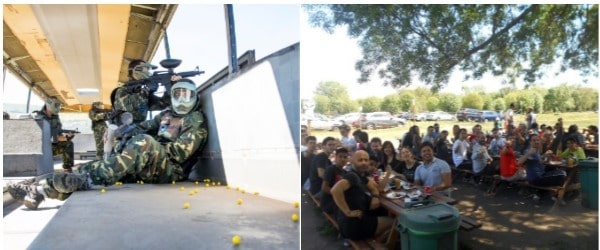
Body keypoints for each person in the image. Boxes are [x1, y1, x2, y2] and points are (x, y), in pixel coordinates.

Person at [9, 80, 208, 210]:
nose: (182, 99)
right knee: (116, 161)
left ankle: (80, 179)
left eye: (187, 95)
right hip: (153, 164)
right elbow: (144, 126)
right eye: (177, 94)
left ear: (195, 97)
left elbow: (179, 154)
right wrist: (125, 133)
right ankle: (42, 190)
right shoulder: (166, 114)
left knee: (143, 142)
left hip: (171, 171)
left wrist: (142, 146)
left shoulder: (195, 121)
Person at [330, 150, 394, 241]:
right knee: (394, 222)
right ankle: (379, 242)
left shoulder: (360, 175)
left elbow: (377, 188)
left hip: (351, 222)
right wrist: (348, 212)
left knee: (382, 213)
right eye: (360, 160)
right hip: (353, 225)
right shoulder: (352, 176)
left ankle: (377, 239)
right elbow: (335, 190)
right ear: (352, 161)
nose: (364, 163)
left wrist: (375, 197)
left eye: (366, 160)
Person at [112, 59, 179, 124]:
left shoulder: (143, 94)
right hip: (120, 129)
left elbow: (162, 104)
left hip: (137, 130)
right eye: (145, 68)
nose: (148, 71)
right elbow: (125, 106)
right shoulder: (121, 91)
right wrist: (146, 90)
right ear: (136, 70)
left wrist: (171, 86)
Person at [32, 97, 75, 172]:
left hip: (52, 146)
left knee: (69, 143)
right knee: (66, 141)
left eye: (58, 105)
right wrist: (65, 138)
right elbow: (49, 137)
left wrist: (67, 137)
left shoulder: (55, 117)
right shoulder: (40, 117)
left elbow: (58, 134)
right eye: (56, 105)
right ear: (48, 104)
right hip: (41, 149)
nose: (57, 107)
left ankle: (67, 168)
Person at [519, 135, 566, 203]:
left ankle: (541, 193)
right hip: (536, 179)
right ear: (530, 142)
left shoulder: (536, 150)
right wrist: (528, 154)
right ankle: (554, 196)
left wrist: (545, 155)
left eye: (538, 140)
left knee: (555, 170)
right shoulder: (529, 151)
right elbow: (519, 162)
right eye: (534, 140)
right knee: (562, 174)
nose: (536, 142)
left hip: (540, 175)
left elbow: (538, 161)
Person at [321, 147, 349, 215]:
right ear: (335, 157)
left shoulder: (345, 172)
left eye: (345, 157)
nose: (342, 159)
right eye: (340, 157)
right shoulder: (330, 169)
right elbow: (324, 188)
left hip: (338, 200)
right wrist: (338, 195)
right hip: (329, 203)